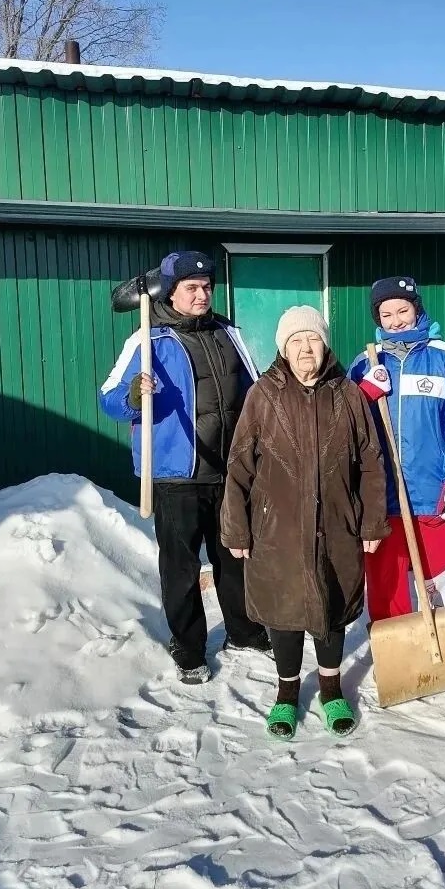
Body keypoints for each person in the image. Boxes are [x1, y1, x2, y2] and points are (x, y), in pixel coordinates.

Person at [100, 251, 272, 685]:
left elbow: (253, 391)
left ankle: (244, 630)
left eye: (207, 286)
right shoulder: (147, 340)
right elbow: (107, 399)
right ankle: (189, 645)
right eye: (192, 287)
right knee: (181, 565)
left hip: (229, 468)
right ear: (171, 292)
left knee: (233, 555)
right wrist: (133, 395)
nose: (202, 294)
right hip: (176, 471)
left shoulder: (228, 333)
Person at [220, 306, 389, 740]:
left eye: (311, 339)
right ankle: (286, 694)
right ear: (283, 349)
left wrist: (371, 523)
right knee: (284, 610)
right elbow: (239, 464)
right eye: (295, 341)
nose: (305, 348)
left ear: (325, 343)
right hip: (276, 529)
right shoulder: (263, 396)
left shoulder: (349, 395)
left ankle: (331, 690)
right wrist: (236, 527)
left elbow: (371, 464)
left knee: (331, 608)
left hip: (336, 525)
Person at [348, 277, 445, 618]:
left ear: (416, 309)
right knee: (386, 584)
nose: (396, 321)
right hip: (381, 498)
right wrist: (362, 394)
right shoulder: (364, 363)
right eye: (386, 314)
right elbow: (345, 427)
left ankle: (439, 645)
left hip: (433, 493)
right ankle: (395, 657)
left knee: (436, 580)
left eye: (403, 310)